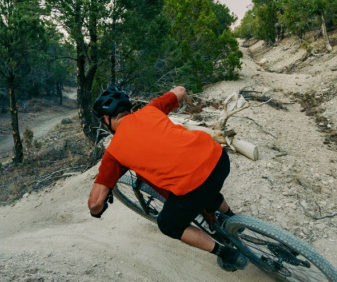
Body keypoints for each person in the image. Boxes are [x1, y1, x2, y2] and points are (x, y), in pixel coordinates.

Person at [86, 85, 248, 271]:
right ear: (128, 109)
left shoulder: (114, 153)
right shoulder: (151, 109)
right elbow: (179, 90)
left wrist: (96, 211)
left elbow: (95, 202)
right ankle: (231, 218)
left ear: (106, 119)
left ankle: (228, 255)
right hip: (219, 159)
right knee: (203, 179)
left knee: (169, 224)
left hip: (193, 186)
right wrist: (176, 99)